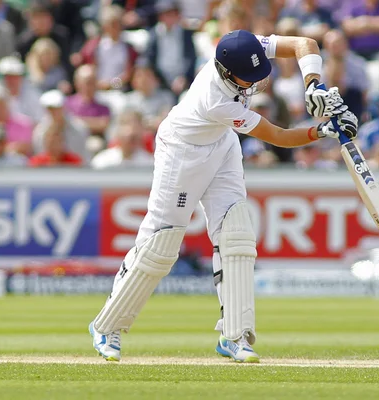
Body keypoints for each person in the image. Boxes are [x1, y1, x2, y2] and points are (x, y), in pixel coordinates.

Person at [88, 30, 357, 363]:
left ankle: (235, 335)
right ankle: (107, 326)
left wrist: (313, 83)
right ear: (228, 72)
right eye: (250, 78)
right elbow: (280, 136)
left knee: (238, 234)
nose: (258, 83)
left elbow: (305, 44)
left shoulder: (245, 48)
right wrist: (324, 130)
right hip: (182, 154)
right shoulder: (216, 99)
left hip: (222, 143)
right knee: (162, 244)